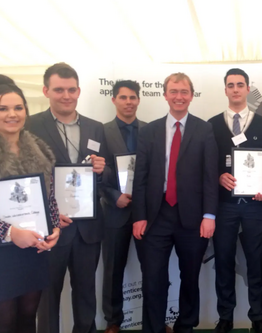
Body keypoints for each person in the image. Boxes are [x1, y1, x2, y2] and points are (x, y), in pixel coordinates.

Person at [132, 72, 218, 333]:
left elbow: (210, 175)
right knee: (153, 279)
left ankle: (186, 326)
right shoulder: (149, 131)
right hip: (156, 216)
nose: (179, 97)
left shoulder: (204, 129)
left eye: (184, 92)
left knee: (190, 277)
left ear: (191, 95)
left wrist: (209, 216)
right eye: (174, 91)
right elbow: (141, 177)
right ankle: (154, 329)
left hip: (192, 218)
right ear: (165, 94)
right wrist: (139, 215)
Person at [26, 63, 108, 333]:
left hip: (88, 229)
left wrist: (102, 168)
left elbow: (106, 176)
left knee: (86, 293)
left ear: (79, 91)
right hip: (51, 227)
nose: (66, 95)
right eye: (59, 90)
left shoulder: (96, 128)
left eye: (71, 90)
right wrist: (46, 213)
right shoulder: (31, 126)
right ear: (46, 90)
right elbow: (25, 176)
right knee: (47, 295)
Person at [208, 68, 262, 333]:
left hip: (256, 205)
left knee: (256, 263)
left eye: (240, 84)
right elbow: (205, 164)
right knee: (223, 262)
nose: (235, 89)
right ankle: (226, 318)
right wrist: (217, 177)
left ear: (247, 89)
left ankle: (258, 318)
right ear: (225, 90)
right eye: (230, 85)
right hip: (224, 206)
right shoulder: (211, 124)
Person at [0, 82, 61, 333]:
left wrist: (54, 227)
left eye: (18, 107)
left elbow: (50, 197)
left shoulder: (40, 149)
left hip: (33, 250)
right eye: (3, 108)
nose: (12, 114)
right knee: (3, 321)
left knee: (27, 317)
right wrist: (10, 233)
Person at [100, 80, 147, 333]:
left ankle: (154, 317)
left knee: (153, 267)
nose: (128, 102)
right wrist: (112, 196)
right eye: (123, 97)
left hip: (146, 212)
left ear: (139, 100)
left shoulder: (152, 130)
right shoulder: (101, 131)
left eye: (132, 97)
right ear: (114, 100)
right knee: (112, 270)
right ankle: (113, 321)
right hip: (115, 210)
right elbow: (96, 173)